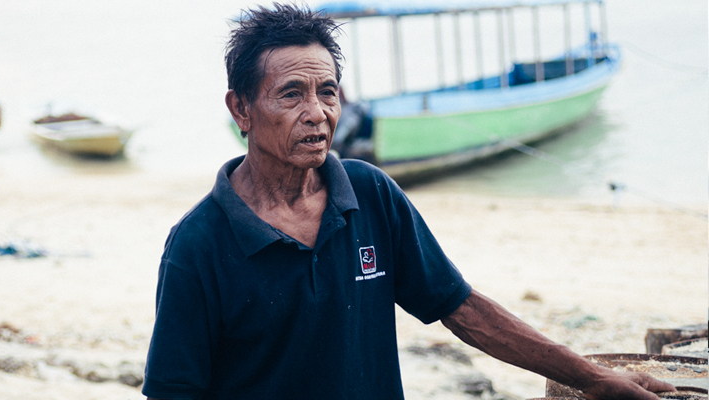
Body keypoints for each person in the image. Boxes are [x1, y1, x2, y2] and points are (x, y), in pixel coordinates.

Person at [143, 4, 675, 400]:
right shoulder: (198, 244)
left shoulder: (371, 194)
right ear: (241, 108)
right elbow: (173, 391)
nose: (317, 112)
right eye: (291, 94)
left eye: (328, 92)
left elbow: (462, 309)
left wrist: (595, 379)